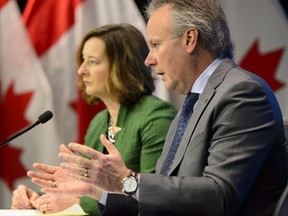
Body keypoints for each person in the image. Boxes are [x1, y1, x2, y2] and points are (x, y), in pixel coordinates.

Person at [31, 0, 288, 215]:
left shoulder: (241, 93)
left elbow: (219, 196)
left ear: (189, 39)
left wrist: (127, 181)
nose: (149, 59)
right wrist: (95, 193)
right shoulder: (194, 101)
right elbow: (166, 202)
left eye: (155, 45)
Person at [10, 23, 177, 215]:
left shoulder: (156, 117)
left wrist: (78, 203)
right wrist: (37, 197)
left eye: (93, 62)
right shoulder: (100, 121)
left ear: (122, 67)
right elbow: (81, 185)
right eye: (82, 60)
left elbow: (154, 198)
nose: (81, 71)